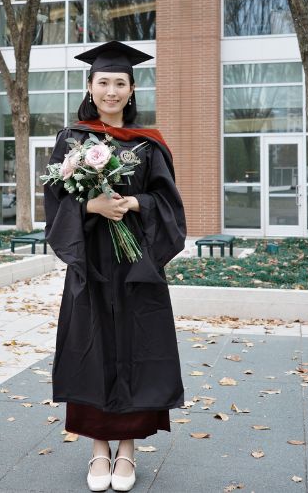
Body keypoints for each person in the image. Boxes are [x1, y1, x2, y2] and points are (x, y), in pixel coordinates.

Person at [43, 41, 187, 492]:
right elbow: (55, 205)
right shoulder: (72, 140)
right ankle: (98, 449)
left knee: (136, 348)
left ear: (131, 89)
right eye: (103, 82)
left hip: (136, 265)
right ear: (91, 85)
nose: (111, 90)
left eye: (119, 83)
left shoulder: (148, 144)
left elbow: (169, 206)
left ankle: (127, 450)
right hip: (92, 265)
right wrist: (92, 206)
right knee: (93, 348)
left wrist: (134, 202)